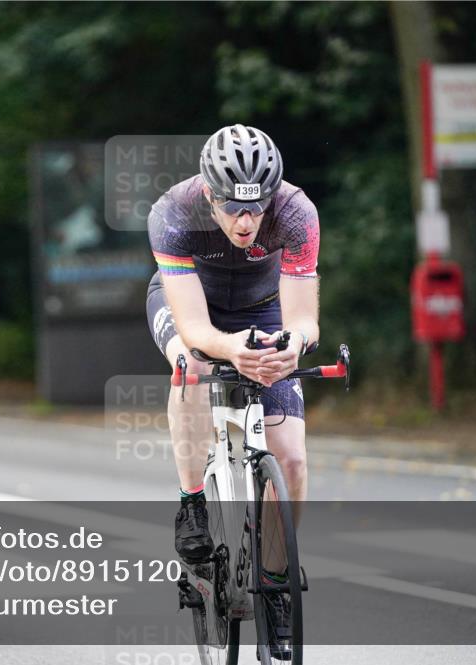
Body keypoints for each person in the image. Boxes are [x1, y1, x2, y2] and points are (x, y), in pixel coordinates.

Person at [146, 125, 319, 650]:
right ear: (208, 194)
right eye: (232, 209)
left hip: (263, 306)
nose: (246, 223)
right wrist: (228, 349)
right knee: (192, 366)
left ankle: (274, 581)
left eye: (257, 207)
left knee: (290, 461)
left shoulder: (296, 213)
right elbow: (197, 332)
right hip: (190, 304)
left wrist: (293, 346)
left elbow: (305, 320)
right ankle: (192, 502)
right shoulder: (173, 213)